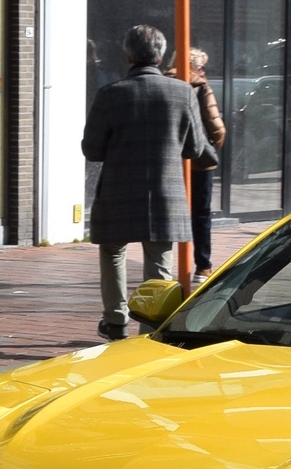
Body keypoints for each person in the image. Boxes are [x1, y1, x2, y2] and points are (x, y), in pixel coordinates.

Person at [85, 23, 210, 340]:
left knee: (113, 252)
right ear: (160, 55)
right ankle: (149, 328)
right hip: (165, 192)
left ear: (128, 55)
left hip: (118, 190)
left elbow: (92, 149)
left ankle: (115, 319)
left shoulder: (111, 95)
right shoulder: (182, 92)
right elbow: (195, 148)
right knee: (159, 261)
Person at [186, 47, 225, 273]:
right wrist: (215, 142)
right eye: (201, 66)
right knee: (201, 213)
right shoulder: (200, 86)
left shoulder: (164, 82)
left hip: (171, 160)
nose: (204, 71)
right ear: (192, 65)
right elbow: (216, 127)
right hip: (199, 160)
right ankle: (203, 265)